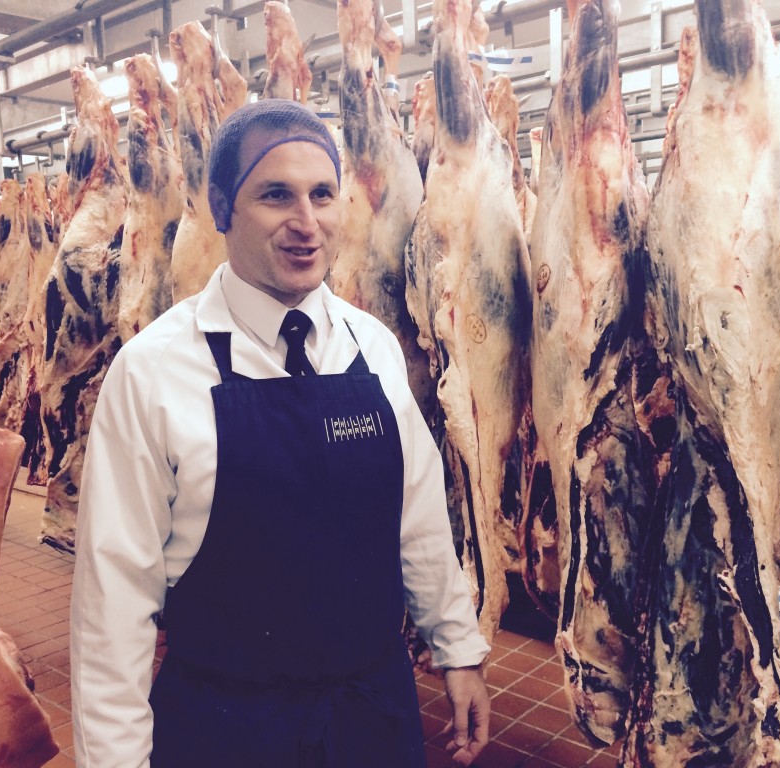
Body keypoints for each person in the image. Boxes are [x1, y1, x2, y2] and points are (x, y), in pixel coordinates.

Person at [70, 98, 492, 767]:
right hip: (227, 731)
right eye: (275, 195)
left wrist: (458, 647)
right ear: (221, 205)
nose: (306, 223)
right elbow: (113, 601)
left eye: (322, 194)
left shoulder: (372, 348)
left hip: (371, 720)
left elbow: (417, 519)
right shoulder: (152, 372)